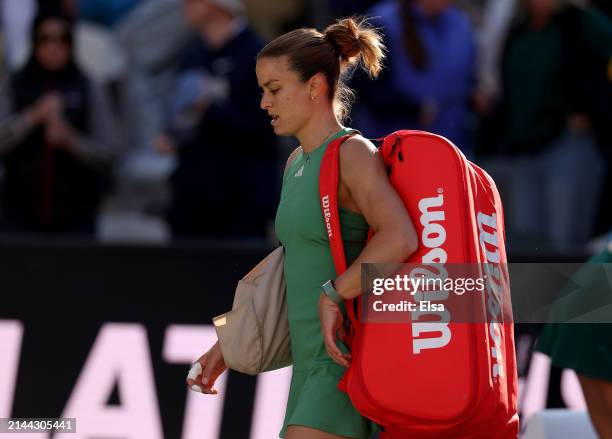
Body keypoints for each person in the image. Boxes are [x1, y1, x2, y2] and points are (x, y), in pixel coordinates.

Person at [186, 17, 419, 439]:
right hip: (308, 368)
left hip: (344, 363)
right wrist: (227, 348)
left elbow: (399, 236)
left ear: (315, 87)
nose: (263, 103)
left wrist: (335, 293)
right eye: (262, 91)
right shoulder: (295, 163)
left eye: (274, 90)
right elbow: (292, 267)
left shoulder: (353, 153)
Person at [158, 0, 277, 239]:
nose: (185, 6)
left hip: (240, 196)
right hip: (193, 193)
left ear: (217, 5)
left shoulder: (257, 54)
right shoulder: (192, 52)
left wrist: (211, 108)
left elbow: (266, 124)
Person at [0, 10, 119, 234]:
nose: (54, 47)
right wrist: (30, 118)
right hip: (20, 212)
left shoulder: (87, 86)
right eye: (45, 39)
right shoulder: (16, 85)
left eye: (62, 39)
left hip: (76, 213)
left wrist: (70, 140)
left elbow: (110, 152)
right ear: (34, 43)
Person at [350, 0, 477, 155]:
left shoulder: (459, 24)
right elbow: (368, 90)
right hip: (392, 152)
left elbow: (467, 78)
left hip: (451, 148)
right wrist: (414, 110)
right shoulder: (382, 22)